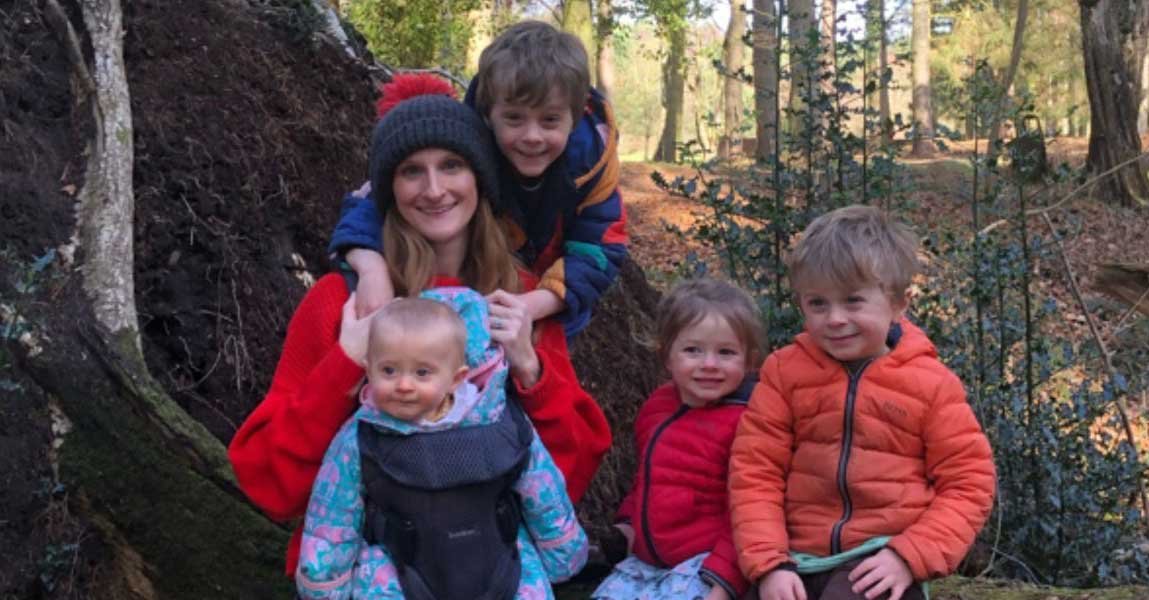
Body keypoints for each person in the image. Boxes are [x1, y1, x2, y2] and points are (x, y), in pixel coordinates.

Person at [227, 87, 611, 578]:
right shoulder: (342, 302)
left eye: (452, 165)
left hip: (489, 577)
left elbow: (567, 479)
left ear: (481, 179)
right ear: (389, 188)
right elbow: (270, 487)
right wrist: (345, 363)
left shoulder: (520, 300)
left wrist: (530, 371)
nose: (434, 189)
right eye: (411, 170)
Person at [729, 205, 996, 600]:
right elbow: (755, 471)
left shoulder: (931, 384)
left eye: (853, 301)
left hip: (879, 557)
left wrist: (910, 555)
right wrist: (768, 562)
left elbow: (969, 482)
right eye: (817, 303)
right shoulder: (784, 373)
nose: (834, 318)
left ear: (899, 304)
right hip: (796, 557)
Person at [328, 20, 627, 339]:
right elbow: (372, 204)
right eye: (514, 118)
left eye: (550, 120)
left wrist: (535, 304)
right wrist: (371, 268)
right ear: (488, 113)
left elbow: (599, 249)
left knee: (537, 373)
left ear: (576, 114)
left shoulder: (592, 168)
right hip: (473, 289)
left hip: (546, 304)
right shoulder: (463, 141)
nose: (532, 136)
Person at [295, 291, 586, 599]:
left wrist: (562, 550)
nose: (404, 385)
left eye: (422, 372)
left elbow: (542, 488)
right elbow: (333, 514)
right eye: (389, 370)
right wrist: (324, 582)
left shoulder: (499, 420)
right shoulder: (363, 436)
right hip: (399, 568)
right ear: (368, 369)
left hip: (500, 561)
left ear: (456, 378)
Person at [590, 278, 767, 600]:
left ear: (749, 360)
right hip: (646, 559)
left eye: (726, 352)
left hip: (705, 561)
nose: (709, 364)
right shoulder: (658, 406)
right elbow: (646, 477)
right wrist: (628, 525)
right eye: (693, 350)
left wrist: (724, 582)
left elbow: (747, 512)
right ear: (667, 355)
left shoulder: (747, 421)